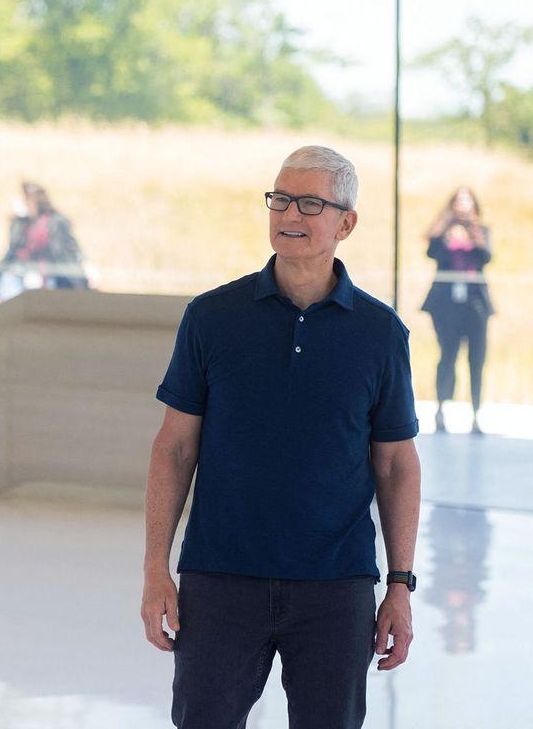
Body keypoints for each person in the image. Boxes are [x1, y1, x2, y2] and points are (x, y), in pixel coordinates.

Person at [141, 146, 422, 729]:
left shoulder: (380, 333)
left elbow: (395, 463)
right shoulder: (212, 317)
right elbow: (174, 447)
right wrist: (154, 570)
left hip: (335, 586)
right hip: (219, 577)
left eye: (311, 203)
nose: (289, 214)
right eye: (280, 199)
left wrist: (399, 585)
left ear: (346, 223)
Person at [422, 187, 493, 434]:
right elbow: (431, 252)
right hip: (446, 305)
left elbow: (487, 256)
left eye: (467, 202)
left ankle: (476, 415)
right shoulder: (443, 231)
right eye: (458, 202)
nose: (463, 207)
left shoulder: (481, 231)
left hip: (475, 305)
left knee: (476, 359)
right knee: (447, 356)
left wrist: (473, 236)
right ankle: (441, 410)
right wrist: (447, 233)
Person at [0, 181, 89, 302]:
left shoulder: (55, 222)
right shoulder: (19, 224)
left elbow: (69, 248)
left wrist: (84, 268)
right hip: (18, 273)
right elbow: (11, 251)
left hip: (45, 273)